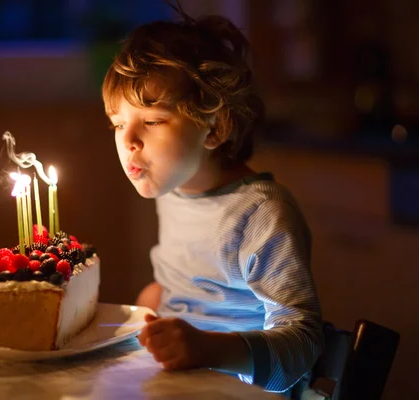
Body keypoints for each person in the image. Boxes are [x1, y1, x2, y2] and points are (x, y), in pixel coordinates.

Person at [101, 6, 323, 395]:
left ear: (215, 128)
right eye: (119, 124)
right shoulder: (174, 192)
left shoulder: (261, 214)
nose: (128, 141)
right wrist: (158, 296)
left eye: (151, 121)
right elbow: (198, 281)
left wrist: (208, 349)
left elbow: (301, 347)